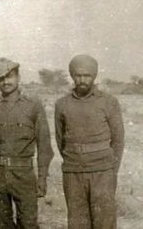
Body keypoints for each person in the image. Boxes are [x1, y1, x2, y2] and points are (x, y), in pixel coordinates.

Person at [0, 59, 54, 229]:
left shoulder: (33, 105)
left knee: (28, 223)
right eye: (0, 79)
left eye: (10, 77)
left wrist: (42, 178)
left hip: (23, 175)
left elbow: (44, 145)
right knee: (1, 223)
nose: (5, 82)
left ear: (18, 77)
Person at [55, 54, 124, 229]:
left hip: (102, 172)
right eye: (78, 75)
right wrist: (76, 157)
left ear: (94, 76)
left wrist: (110, 170)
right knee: (77, 221)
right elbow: (60, 139)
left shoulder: (108, 102)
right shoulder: (62, 104)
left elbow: (118, 140)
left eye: (87, 75)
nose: (82, 80)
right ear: (72, 76)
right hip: (73, 171)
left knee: (104, 221)